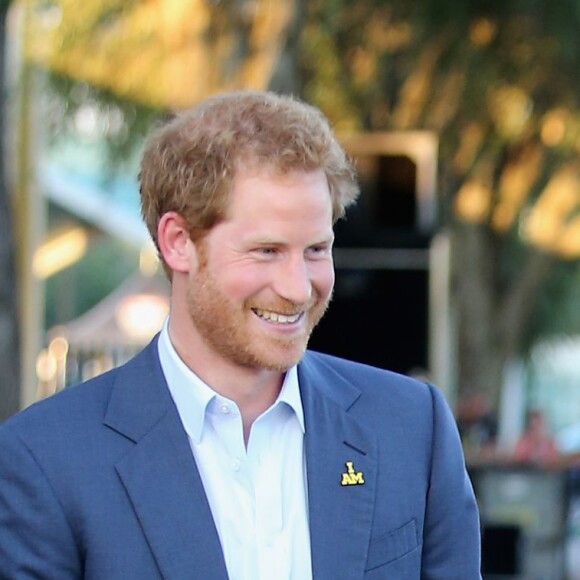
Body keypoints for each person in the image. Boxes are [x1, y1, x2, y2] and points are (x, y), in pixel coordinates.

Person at [0, 91, 481, 579]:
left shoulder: (411, 430)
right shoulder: (46, 461)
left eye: (316, 249)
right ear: (178, 242)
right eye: (267, 251)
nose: (297, 289)